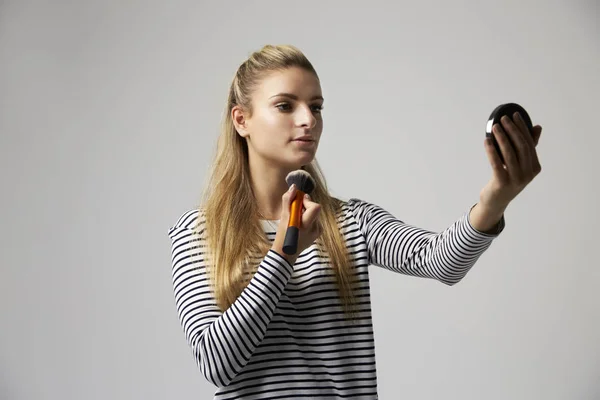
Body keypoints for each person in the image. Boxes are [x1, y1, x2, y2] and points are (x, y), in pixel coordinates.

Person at [167, 44, 543, 399]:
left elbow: (440, 261)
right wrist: (283, 252)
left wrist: (497, 197)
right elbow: (216, 363)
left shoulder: (349, 220)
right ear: (242, 120)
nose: (307, 120)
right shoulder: (199, 233)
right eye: (285, 106)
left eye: (316, 107)